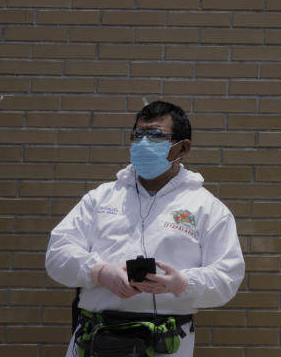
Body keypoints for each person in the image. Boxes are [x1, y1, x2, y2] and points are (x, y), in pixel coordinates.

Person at [45, 101, 245, 357]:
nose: (143, 143)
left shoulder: (206, 208)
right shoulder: (101, 198)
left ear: (182, 148)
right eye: (137, 135)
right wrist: (100, 272)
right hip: (94, 339)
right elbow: (57, 254)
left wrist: (183, 283)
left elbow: (227, 278)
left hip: (165, 344)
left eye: (155, 135)